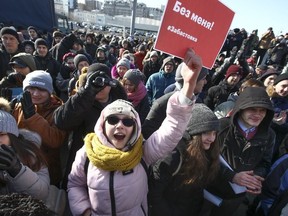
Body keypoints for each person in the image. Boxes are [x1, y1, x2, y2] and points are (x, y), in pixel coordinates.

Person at [67, 48, 201, 216]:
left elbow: (172, 129)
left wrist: (188, 85)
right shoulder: (87, 153)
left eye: (128, 121)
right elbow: (74, 185)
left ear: (135, 127)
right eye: (113, 120)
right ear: (102, 124)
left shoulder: (143, 152)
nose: (120, 125)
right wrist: (84, 212)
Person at [54, 63, 128, 189]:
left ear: (110, 83)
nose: (99, 86)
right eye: (94, 81)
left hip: (115, 161)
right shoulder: (80, 101)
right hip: (85, 162)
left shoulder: (121, 102)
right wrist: (86, 94)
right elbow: (61, 121)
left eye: (103, 82)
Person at [208, 86, 275, 216]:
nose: (257, 114)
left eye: (262, 110)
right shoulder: (221, 126)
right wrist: (232, 176)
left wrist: (256, 177)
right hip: (209, 190)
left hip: (234, 198)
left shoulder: (269, 135)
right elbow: (205, 158)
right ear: (241, 108)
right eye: (252, 109)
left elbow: (265, 163)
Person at [149, 103, 220, 216]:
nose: (212, 139)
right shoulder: (173, 156)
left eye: (214, 133)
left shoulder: (208, 152)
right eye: (206, 132)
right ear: (192, 132)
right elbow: (154, 194)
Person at [12, 70, 67, 186]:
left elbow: (55, 140)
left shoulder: (59, 110)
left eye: (41, 89)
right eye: (31, 88)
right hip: (18, 167)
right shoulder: (19, 106)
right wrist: (5, 110)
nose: (36, 94)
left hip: (47, 170)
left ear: (49, 92)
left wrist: (32, 116)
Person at [0, 97, 49, 200]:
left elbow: (43, 193)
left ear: (12, 136)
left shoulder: (30, 154)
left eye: (1, 135)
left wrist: (17, 170)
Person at [142, 62, 208, 139]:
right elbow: (148, 133)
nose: (205, 82)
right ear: (193, 79)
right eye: (203, 78)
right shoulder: (163, 103)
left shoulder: (199, 103)